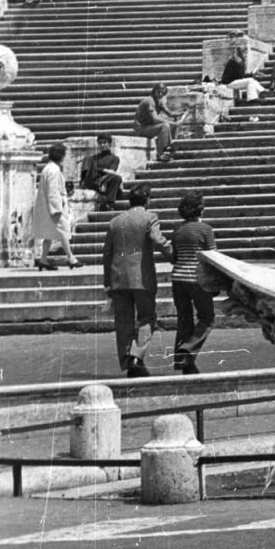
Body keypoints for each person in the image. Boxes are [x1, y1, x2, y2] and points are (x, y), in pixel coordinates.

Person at [102, 183, 169, 376]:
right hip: (142, 277)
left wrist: (107, 282)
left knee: (123, 321)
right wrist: (173, 253)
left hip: (118, 278)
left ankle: (128, 360)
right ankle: (137, 357)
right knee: (147, 317)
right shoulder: (150, 217)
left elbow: (107, 254)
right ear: (147, 200)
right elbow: (156, 239)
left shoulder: (115, 222)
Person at [169, 190, 217, 374]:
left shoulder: (177, 230)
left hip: (178, 279)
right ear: (200, 209)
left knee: (184, 319)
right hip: (198, 279)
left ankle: (184, 362)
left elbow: (174, 257)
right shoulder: (206, 229)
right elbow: (212, 258)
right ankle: (187, 350)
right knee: (207, 318)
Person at [33, 143, 80, 269]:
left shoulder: (49, 168)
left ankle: (43, 260)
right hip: (55, 208)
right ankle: (71, 259)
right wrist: (56, 209)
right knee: (64, 231)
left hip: (48, 207)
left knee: (50, 235)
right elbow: (53, 191)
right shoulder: (54, 170)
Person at [133, 84, 177, 161]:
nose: (160, 94)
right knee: (165, 126)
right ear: (154, 91)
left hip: (148, 127)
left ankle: (167, 147)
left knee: (167, 125)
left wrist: (182, 113)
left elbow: (170, 113)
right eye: (158, 92)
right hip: (141, 129)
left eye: (163, 93)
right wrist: (173, 123)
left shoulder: (158, 101)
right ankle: (160, 154)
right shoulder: (150, 101)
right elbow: (155, 119)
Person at [80, 133, 123, 210]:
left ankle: (109, 204)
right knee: (87, 157)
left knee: (117, 178)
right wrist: (103, 170)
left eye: (104, 142)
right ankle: (83, 184)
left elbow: (112, 171)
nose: (102, 145)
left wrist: (98, 169)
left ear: (110, 143)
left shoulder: (115, 158)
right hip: (92, 180)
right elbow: (90, 170)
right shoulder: (94, 158)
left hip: (103, 182)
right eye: (100, 143)